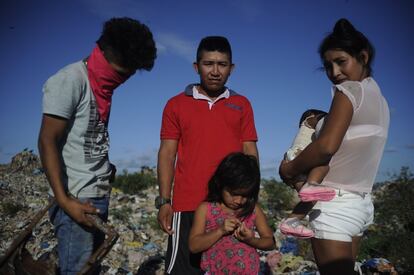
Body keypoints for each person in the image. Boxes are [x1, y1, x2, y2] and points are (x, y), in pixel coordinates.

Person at [38, 17, 156, 274]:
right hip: (76, 200)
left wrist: (103, 165)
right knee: (77, 269)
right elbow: (47, 140)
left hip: (97, 194)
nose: (123, 80)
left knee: (89, 269)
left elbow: (84, 137)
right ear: (106, 55)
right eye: (123, 73)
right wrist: (65, 200)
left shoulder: (102, 89)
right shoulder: (71, 80)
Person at [279, 18, 389, 275]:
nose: (335, 73)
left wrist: (289, 169)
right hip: (360, 206)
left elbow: (327, 146)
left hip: (334, 204)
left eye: (341, 62)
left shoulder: (349, 91)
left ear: (363, 56)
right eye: (328, 66)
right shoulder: (380, 100)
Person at [157, 36, 258, 274]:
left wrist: (251, 198)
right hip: (187, 203)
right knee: (183, 270)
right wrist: (164, 202)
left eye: (222, 64)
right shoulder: (176, 104)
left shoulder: (242, 104)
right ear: (196, 67)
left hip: (229, 205)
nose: (215, 71)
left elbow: (250, 152)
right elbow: (167, 154)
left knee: (227, 268)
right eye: (208, 63)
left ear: (231, 69)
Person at [189, 152, 275, 274]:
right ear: (221, 184)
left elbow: (270, 243)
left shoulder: (253, 210)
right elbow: (194, 246)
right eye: (234, 194)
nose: (239, 201)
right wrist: (220, 230)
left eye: (245, 195)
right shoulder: (206, 209)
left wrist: (251, 240)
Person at [279, 109, 336, 239]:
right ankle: (312, 183)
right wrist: (329, 117)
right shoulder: (309, 121)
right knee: (323, 166)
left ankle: (291, 221)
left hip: (294, 160)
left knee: (310, 198)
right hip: (299, 154)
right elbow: (323, 120)